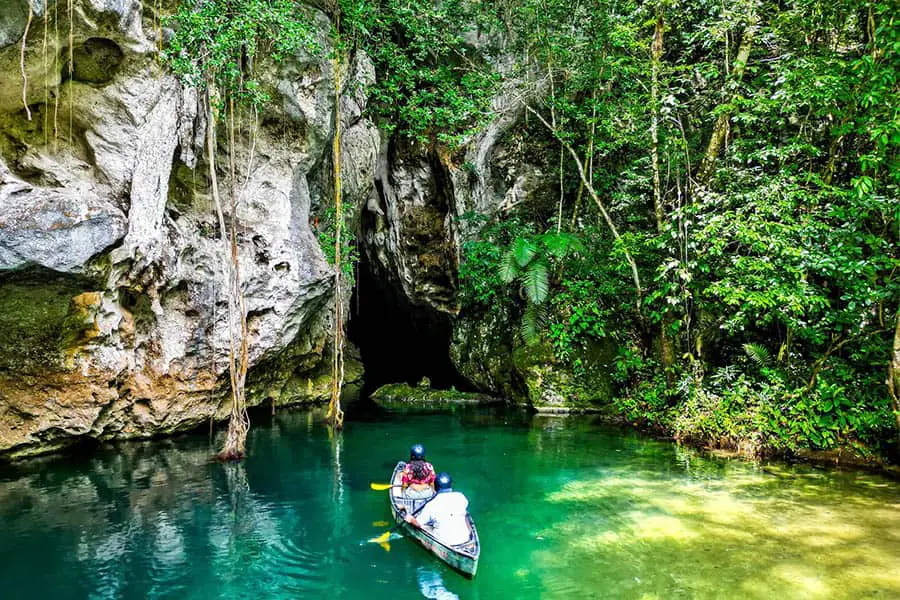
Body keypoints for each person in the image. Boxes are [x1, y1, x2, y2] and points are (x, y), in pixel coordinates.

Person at [404, 472, 471, 546]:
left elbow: (418, 524)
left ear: (435, 487)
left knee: (424, 525)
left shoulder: (431, 504)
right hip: (465, 539)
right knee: (464, 515)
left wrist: (410, 519)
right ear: (450, 485)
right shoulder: (461, 496)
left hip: (444, 541)